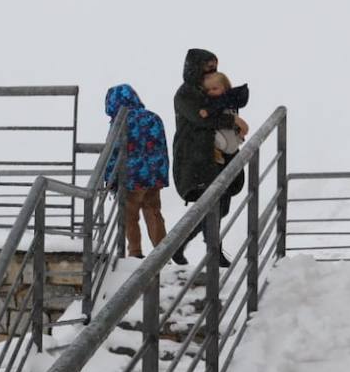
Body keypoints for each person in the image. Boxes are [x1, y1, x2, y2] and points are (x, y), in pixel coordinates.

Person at [172, 49, 248, 266]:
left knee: (220, 206)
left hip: (218, 157)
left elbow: (226, 111)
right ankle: (214, 253)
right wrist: (232, 121)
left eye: (213, 66)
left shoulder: (214, 89)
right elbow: (202, 118)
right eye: (206, 66)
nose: (211, 71)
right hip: (195, 157)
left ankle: (180, 245)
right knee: (211, 204)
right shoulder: (186, 94)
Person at [103, 84, 171, 258]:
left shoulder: (120, 121)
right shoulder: (153, 118)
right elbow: (162, 148)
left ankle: (135, 252)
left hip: (131, 178)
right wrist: (162, 174)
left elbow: (113, 152)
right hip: (154, 176)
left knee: (130, 216)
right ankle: (161, 253)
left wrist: (109, 178)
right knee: (153, 212)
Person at [200, 70, 246, 163]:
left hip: (232, 141)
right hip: (222, 142)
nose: (211, 92)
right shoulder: (209, 101)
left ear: (225, 88)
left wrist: (241, 132)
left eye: (215, 88)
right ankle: (216, 153)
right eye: (208, 90)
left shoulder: (228, 101)